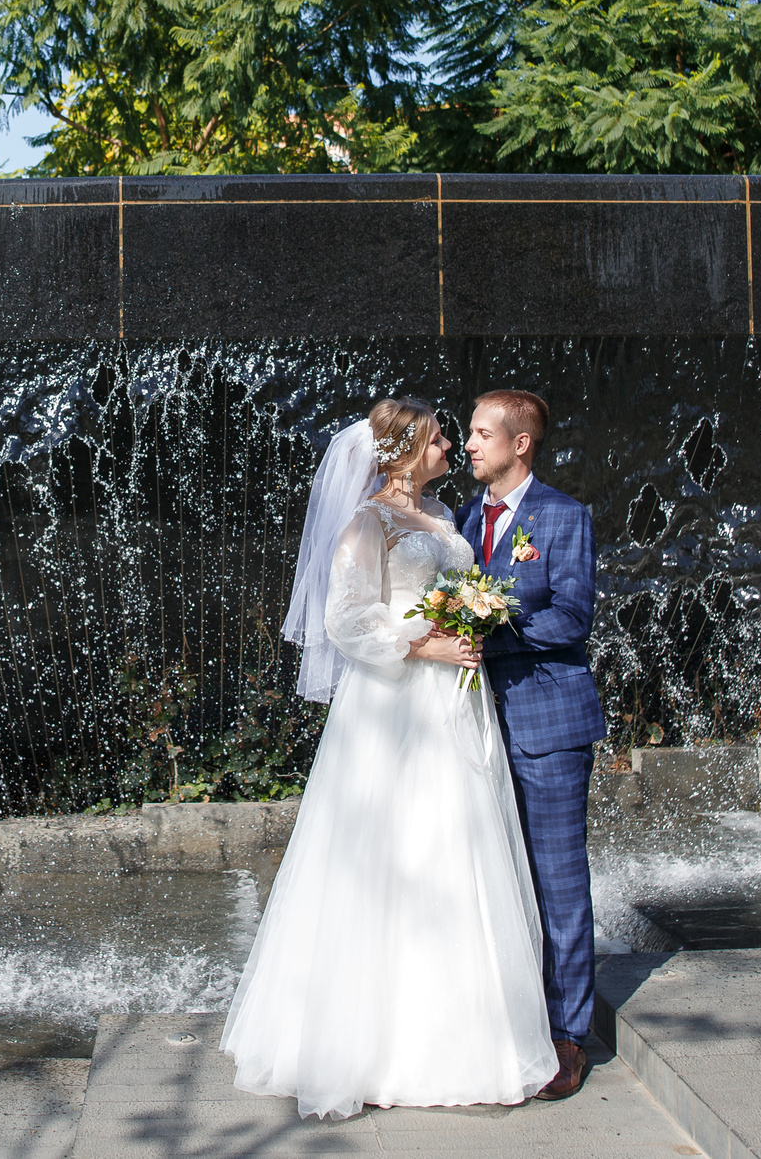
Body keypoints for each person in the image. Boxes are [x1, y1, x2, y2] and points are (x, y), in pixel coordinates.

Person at [221, 397, 557, 1120]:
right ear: (403, 451)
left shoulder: (442, 516)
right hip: (394, 705)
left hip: (455, 703)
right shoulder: (366, 523)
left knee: (452, 851)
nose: (450, 448)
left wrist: (469, 621)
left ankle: (457, 1039)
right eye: (438, 439)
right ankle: (366, 1049)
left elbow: (451, 590)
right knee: (387, 855)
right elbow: (344, 620)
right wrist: (425, 644)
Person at [457, 387, 601, 1101]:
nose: (468, 444)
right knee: (495, 877)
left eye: (482, 433)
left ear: (520, 444)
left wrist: (493, 627)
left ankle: (568, 1034)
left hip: (548, 722)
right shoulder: (462, 517)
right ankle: (511, 1020)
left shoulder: (564, 516)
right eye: (468, 432)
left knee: (557, 880)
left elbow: (573, 615)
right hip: (475, 727)